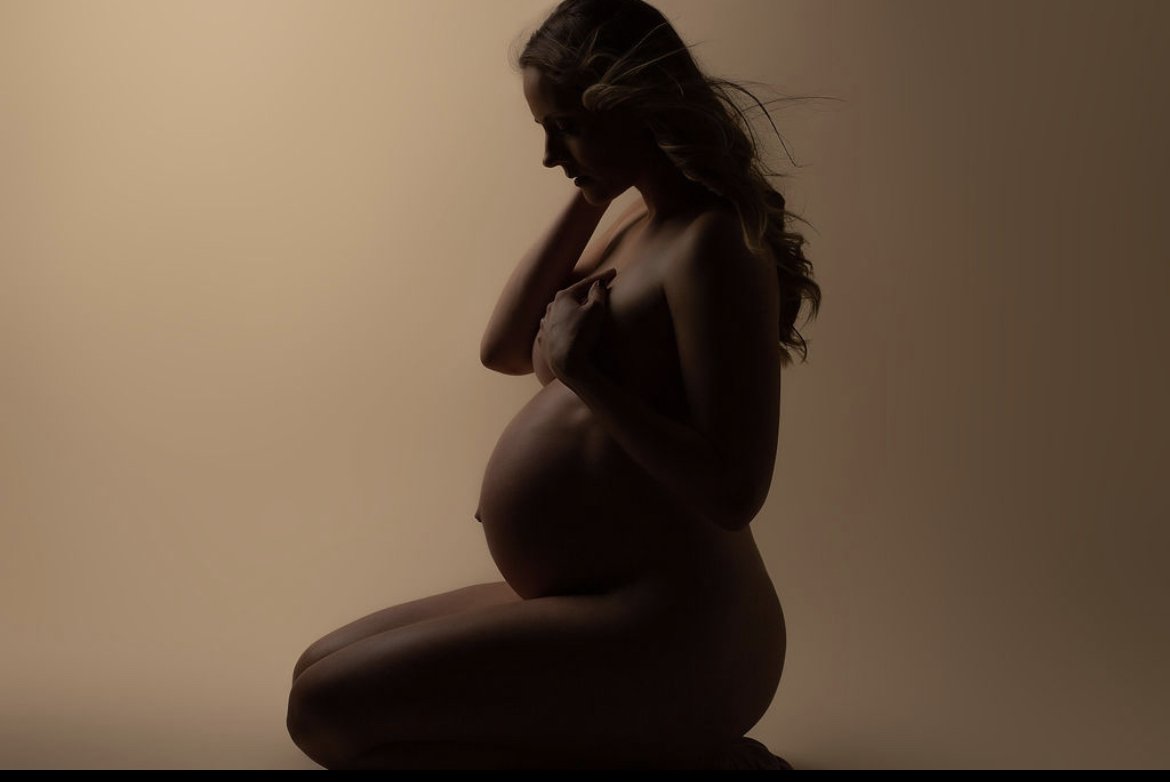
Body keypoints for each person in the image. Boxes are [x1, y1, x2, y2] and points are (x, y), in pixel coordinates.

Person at [286, 0, 821, 769]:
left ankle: (688, 753)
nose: (547, 154)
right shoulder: (641, 226)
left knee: (325, 712)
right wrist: (592, 181)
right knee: (318, 670)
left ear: (632, 106)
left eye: (563, 126)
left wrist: (583, 376)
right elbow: (504, 346)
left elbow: (734, 491)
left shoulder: (715, 246)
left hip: (675, 627)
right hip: (594, 599)